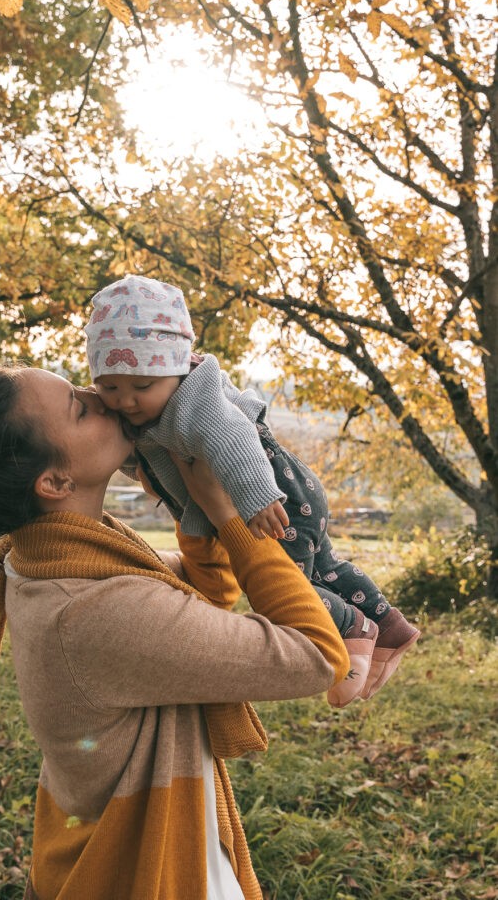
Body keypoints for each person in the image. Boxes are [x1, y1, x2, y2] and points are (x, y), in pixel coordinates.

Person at [0, 363, 349, 900]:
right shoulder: (93, 606)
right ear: (54, 481)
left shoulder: (49, 560)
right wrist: (229, 514)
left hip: (104, 853)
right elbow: (318, 654)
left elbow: (203, 591)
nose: (102, 398)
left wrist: (189, 500)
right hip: (145, 871)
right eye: (80, 407)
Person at [85, 274, 420, 708]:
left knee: (293, 585)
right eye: (109, 387)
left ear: (177, 366)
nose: (125, 401)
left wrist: (257, 497)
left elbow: (232, 438)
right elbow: (153, 461)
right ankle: (389, 624)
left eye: (142, 387)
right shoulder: (152, 410)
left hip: (272, 496)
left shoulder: (193, 400)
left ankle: (352, 630)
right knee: (324, 566)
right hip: (295, 490)